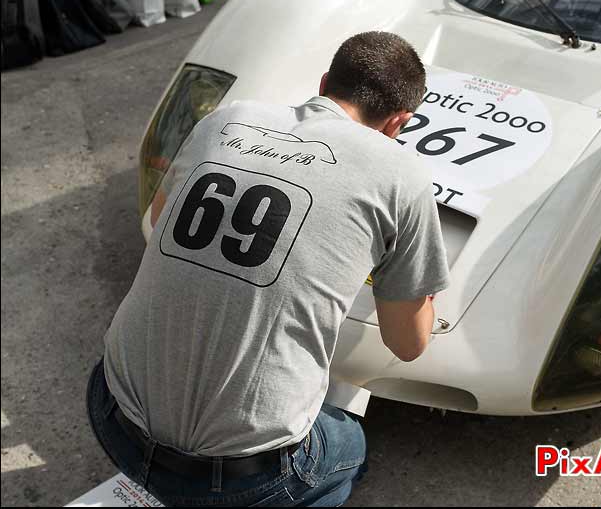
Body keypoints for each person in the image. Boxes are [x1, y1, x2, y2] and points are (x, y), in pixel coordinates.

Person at [85, 31, 449, 507]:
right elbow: (408, 343)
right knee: (350, 447)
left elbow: (157, 219)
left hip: (111, 414)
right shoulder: (402, 174)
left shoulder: (228, 119)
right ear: (399, 122)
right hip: (240, 476)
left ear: (324, 83)